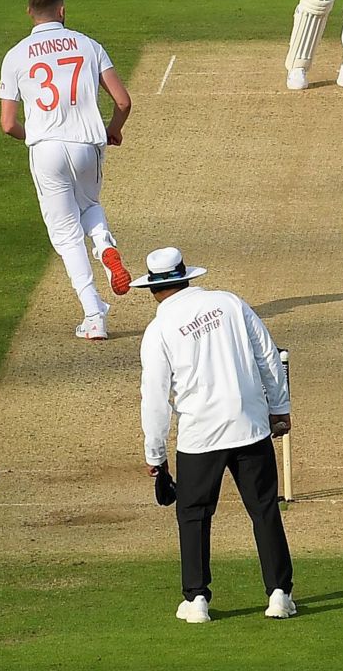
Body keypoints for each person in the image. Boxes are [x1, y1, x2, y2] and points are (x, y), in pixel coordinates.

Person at [135, 247, 297, 624]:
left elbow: (155, 398)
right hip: (249, 425)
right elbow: (268, 357)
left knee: (192, 515)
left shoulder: (158, 329)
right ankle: (279, 594)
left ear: (153, 290)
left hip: (199, 437)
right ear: (186, 277)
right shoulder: (229, 302)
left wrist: (155, 455)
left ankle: (197, 600)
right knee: (264, 509)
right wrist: (280, 407)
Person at [0, 0, 132, 339]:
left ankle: (94, 316)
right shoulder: (88, 45)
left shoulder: (15, 56)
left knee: (65, 235)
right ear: (62, 11)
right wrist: (113, 131)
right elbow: (123, 101)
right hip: (88, 141)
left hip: (46, 149)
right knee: (89, 205)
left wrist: (38, 137)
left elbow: (8, 124)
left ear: (29, 13)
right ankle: (104, 245)